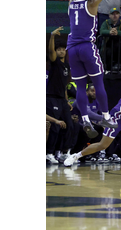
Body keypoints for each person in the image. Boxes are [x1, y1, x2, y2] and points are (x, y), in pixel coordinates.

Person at [66, 0, 121, 138]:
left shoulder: (71, 3)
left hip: (72, 48)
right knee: (98, 83)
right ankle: (106, 117)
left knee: (81, 88)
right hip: (87, 47)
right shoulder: (91, 3)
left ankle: (85, 119)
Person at [46, 27, 76, 164]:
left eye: (63, 49)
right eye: (59, 49)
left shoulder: (67, 66)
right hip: (52, 98)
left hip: (62, 100)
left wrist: (66, 100)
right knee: (55, 126)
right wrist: (52, 36)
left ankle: (63, 152)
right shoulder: (54, 62)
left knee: (69, 125)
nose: (61, 51)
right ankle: (49, 153)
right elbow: (50, 51)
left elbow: (64, 85)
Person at [99, 8, 121, 72]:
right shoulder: (106, 22)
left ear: (119, 15)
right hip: (109, 45)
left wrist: (117, 32)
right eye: (113, 14)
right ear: (109, 16)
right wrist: (110, 32)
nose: (115, 15)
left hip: (120, 45)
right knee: (107, 52)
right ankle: (108, 70)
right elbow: (101, 31)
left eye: (116, 14)